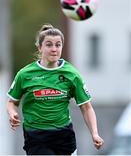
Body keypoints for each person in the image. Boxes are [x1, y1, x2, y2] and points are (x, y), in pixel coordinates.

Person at [7, 24, 104, 155]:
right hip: (36, 136)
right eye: (49, 45)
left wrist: (95, 133)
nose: (54, 49)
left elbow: (86, 107)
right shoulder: (25, 74)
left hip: (64, 135)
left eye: (58, 45)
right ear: (40, 47)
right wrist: (12, 113)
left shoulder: (71, 74)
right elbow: (12, 101)